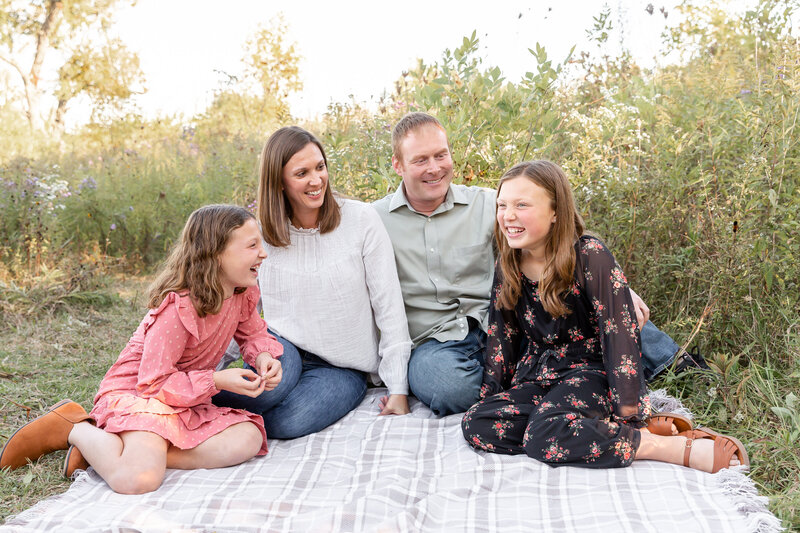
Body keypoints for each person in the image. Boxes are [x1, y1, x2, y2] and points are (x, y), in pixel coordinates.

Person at [373, 112, 706, 416]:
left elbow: (555, 234)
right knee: (446, 386)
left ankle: (678, 369)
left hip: (505, 323)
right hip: (439, 341)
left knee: (596, 306)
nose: (434, 167)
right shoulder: (375, 221)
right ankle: (561, 385)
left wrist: (618, 286)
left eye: (440, 155)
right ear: (398, 165)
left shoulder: (489, 203)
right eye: (420, 160)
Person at [460, 160, 747, 472]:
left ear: (556, 212)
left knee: (543, 434)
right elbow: (502, 341)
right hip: (541, 373)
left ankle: (658, 444)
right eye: (502, 205)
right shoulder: (509, 264)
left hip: (593, 373)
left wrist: (631, 414)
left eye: (522, 205)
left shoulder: (589, 256)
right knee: (478, 424)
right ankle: (580, 428)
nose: (508, 215)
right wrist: (492, 399)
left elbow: (620, 337)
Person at [0, 205, 284, 493]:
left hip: (184, 399)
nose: (263, 253)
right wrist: (216, 380)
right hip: (141, 395)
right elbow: (152, 384)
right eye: (252, 246)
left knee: (248, 438)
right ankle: (74, 427)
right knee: (139, 480)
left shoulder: (241, 293)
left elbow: (253, 334)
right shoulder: (178, 308)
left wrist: (263, 357)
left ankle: (111, 450)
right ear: (216, 254)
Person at [213, 126, 412, 438]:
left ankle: (206, 413)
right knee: (265, 394)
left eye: (320, 167)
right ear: (278, 181)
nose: (316, 180)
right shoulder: (262, 235)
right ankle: (180, 395)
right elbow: (237, 305)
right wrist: (209, 367)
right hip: (283, 347)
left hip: (343, 368)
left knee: (287, 422)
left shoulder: (361, 219)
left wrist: (398, 387)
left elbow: (388, 304)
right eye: (301, 172)